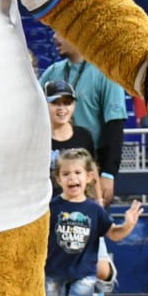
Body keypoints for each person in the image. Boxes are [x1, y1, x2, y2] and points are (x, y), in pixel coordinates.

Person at [44, 149, 142, 296]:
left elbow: (113, 234)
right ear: (58, 179)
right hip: (55, 270)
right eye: (66, 174)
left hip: (84, 270)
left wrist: (127, 226)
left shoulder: (94, 210)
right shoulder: (51, 208)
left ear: (88, 177)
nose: (72, 178)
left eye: (77, 172)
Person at [39, 40, 127, 205]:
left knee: (91, 220)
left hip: (90, 162)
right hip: (54, 165)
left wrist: (108, 173)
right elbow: (33, 110)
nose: (55, 38)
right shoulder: (53, 71)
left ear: (74, 35)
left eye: (60, 33)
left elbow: (115, 126)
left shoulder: (106, 73)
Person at [44, 80, 96, 157]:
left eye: (67, 103)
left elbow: (90, 167)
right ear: (45, 105)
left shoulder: (84, 136)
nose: (62, 108)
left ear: (74, 106)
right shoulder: (38, 138)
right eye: (55, 103)